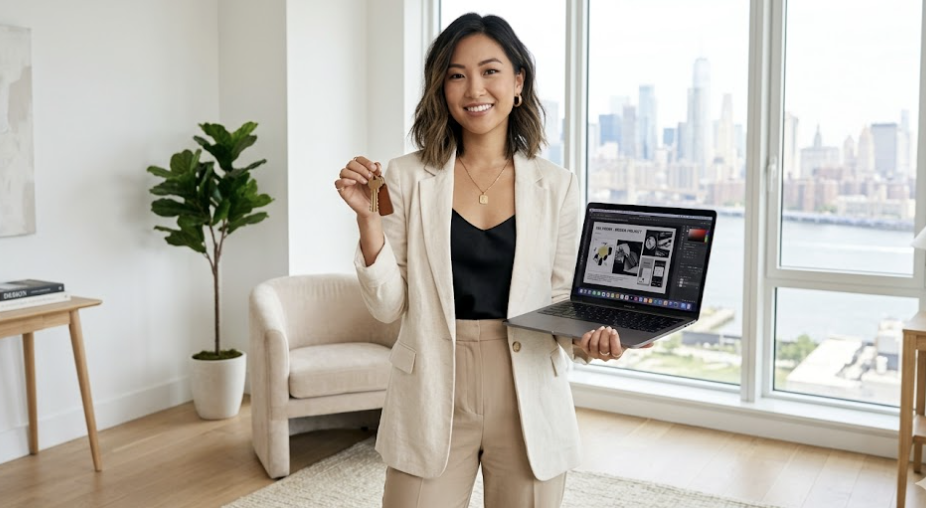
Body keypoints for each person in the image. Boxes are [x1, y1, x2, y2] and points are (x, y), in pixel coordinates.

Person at [334, 13, 642, 508]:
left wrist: (594, 340)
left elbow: (565, 301)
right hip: (433, 385)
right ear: (442, 87)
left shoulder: (556, 185)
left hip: (530, 390)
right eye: (457, 74)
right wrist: (369, 221)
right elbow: (388, 306)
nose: (474, 88)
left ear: (518, 81)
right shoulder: (403, 178)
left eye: (490, 70)